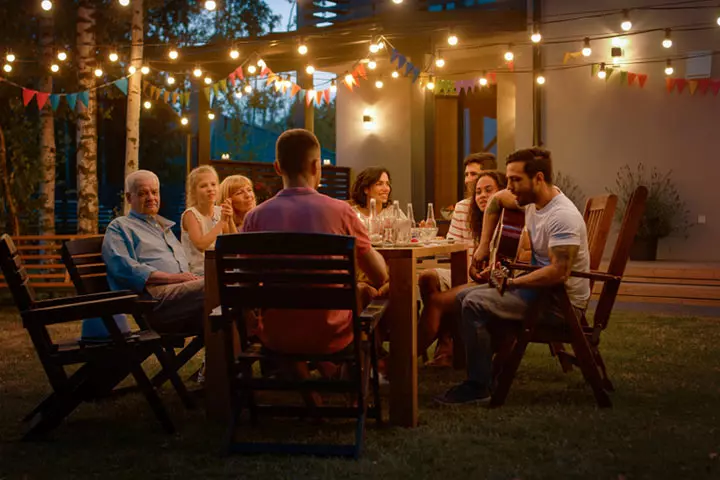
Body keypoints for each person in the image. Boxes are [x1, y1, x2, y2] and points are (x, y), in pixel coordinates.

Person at [435, 147, 590, 405]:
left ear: (538, 178)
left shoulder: (562, 216)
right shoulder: (528, 199)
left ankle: (478, 386)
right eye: (508, 180)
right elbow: (495, 202)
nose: (509, 187)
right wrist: (484, 246)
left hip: (559, 304)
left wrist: (512, 281)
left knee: (474, 303)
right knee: (463, 296)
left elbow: (558, 272)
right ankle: (485, 374)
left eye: (515, 180)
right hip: (538, 292)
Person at [242, 129, 389, 356]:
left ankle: (310, 384)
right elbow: (379, 275)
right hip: (332, 331)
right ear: (315, 166)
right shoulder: (341, 212)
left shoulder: (254, 217)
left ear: (278, 167)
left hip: (275, 333)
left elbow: (244, 281)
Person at [418, 171, 507, 366]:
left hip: (500, 284)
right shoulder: (474, 217)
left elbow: (505, 265)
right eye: (478, 192)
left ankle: (400, 361)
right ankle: (445, 347)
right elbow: (457, 251)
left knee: (436, 302)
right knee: (427, 278)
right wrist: (476, 270)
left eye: (488, 190)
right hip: (479, 277)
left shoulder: (509, 222)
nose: (482, 195)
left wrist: (483, 272)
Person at [102, 169, 205, 335]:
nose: (151, 198)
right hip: (154, 302)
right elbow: (124, 268)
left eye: (154, 192)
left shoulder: (163, 227)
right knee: (215, 287)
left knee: (228, 288)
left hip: (183, 296)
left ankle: (225, 358)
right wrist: (174, 278)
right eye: (143, 193)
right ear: (129, 198)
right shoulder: (120, 227)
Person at [181, 165, 233, 275]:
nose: (210, 189)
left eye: (213, 184)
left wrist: (230, 218)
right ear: (194, 192)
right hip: (198, 272)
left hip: (220, 268)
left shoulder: (219, 212)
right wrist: (222, 222)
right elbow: (200, 245)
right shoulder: (191, 214)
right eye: (203, 186)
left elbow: (231, 242)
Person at [446, 152, 499, 242]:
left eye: (473, 174)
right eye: (466, 175)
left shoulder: (504, 206)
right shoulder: (462, 207)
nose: (467, 180)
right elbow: (452, 248)